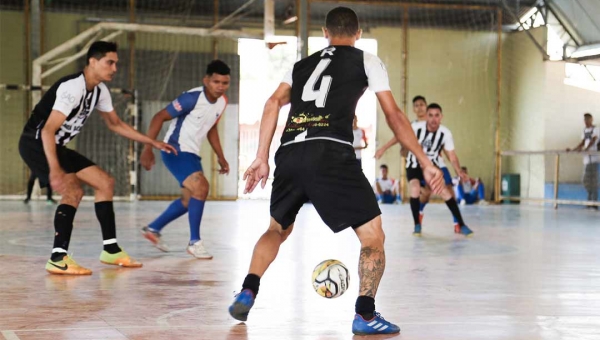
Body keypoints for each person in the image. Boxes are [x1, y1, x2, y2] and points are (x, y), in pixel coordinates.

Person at [227, 7, 444, 336]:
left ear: (325, 34)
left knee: (276, 229)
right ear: (357, 34)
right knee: (373, 237)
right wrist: (425, 162)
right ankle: (365, 315)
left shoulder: (300, 65)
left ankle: (248, 289)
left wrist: (262, 156)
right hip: (331, 152)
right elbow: (394, 115)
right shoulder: (366, 60)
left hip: (289, 151)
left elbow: (272, 104)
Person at [18, 41, 176, 275]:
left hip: (56, 145)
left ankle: (110, 249)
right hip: (35, 143)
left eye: (116, 64)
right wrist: (54, 169)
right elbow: (47, 130)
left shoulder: (99, 91)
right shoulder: (72, 87)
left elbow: (115, 123)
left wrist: (151, 142)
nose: (114, 68)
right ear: (92, 62)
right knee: (73, 191)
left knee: (105, 183)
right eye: (109, 62)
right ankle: (57, 257)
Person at [140, 60, 231, 258]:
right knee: (202, 187)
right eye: (216, 82)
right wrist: (148, 147)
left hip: (191, 153)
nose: (220, 87)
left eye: (225, 83)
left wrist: (221, 156)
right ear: (206, 80)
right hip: (175, 150)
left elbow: (212, 128)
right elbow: (158, 116)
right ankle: (194, 242)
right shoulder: (191, 98)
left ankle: (153, 229)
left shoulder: (222, 102)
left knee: (188, 200)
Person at [377, 103, 473, 236]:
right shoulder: (416, 128)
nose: (434, 119)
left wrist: (459, 171)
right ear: (426, 117)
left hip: (431, 166)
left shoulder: (445, 133)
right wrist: (383, 148)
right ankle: (417, 224)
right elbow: (399, 135)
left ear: (441, 117)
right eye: (431, 115)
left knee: (445, 191)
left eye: (437, 116)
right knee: (415, 188)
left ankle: (461, 224)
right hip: (414, 163)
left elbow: (452, 156)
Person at [567, 113, 599, 208]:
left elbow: (594, 140)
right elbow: (582, 142)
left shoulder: (596, 129)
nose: (586, 121)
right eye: (584, 120)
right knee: (586, 181)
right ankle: (589, 202)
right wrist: (573, 149)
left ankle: (594, 203)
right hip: (586, 159)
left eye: (587, 119)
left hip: (593, 158)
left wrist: (587, 149)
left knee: (593, 181)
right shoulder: (585, 130)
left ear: (591, 119)